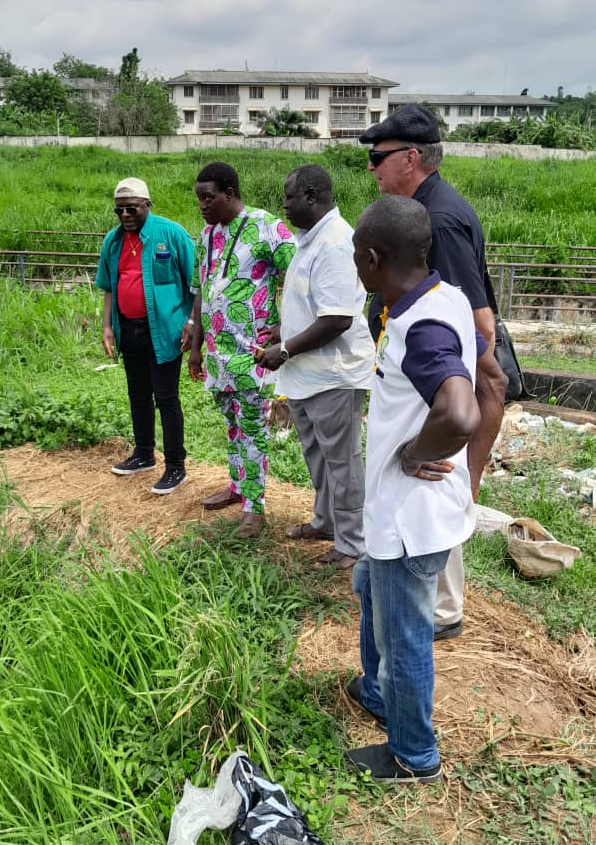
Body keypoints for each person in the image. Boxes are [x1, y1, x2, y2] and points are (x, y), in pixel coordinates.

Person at [346, 194, 480, 783]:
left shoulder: (420, 326)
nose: (356, 265)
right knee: (367, 585)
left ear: (374, 259)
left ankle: (413, 755)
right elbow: (485, 373)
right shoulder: (441, 297)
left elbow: (459, 412)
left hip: (409, 518)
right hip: (400, 512)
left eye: (357, 255)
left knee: (404, 639)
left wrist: (415, 451)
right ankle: (378, 692)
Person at [359, 105, 506, 641]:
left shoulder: (437, 221)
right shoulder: (423, 211)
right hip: (426, 384)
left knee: (432, 496)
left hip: (439, 396)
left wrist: (458, 460)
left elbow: (478, 326)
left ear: (411, 158)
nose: (372, 168)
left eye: (379, 157)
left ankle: (439, 612)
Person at [256, 165, 374, 570]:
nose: (284, 205)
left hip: (333, 376)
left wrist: (286, 349)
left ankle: (352, 543)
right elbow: (314, 304)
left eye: (289, 197)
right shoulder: (310, 239)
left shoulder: (336, 243)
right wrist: (283, 329)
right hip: (309, 375)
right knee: (318, 456)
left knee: (342, 462)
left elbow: (337, 318)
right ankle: (326, 523)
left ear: (311, 196)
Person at [183, 162, 295, 538]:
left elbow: (301, 277)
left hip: (254, 354)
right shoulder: (206, 236)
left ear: (229, 193)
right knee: (232, 425)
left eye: (208, 197)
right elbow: (201, 293)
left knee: (253, 428)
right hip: (218, 354)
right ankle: (237, 487)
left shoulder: (267, 228)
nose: (202, 205)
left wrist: (284, 327)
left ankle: (254, 506)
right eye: (199, 198)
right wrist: (196, 348)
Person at [95, 176, 194, 495]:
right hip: (129, 329)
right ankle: (143, 454)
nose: (125, 215)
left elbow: (196, 283)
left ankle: (176, 466)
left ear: (147, 205)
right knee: (137, 394)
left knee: (166, 397)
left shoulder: (171, 234)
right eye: (119, 210)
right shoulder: (113, 241)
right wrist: (107, 326)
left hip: (165, 331)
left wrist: (192, 322)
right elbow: (109, 287)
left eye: (131, 209)